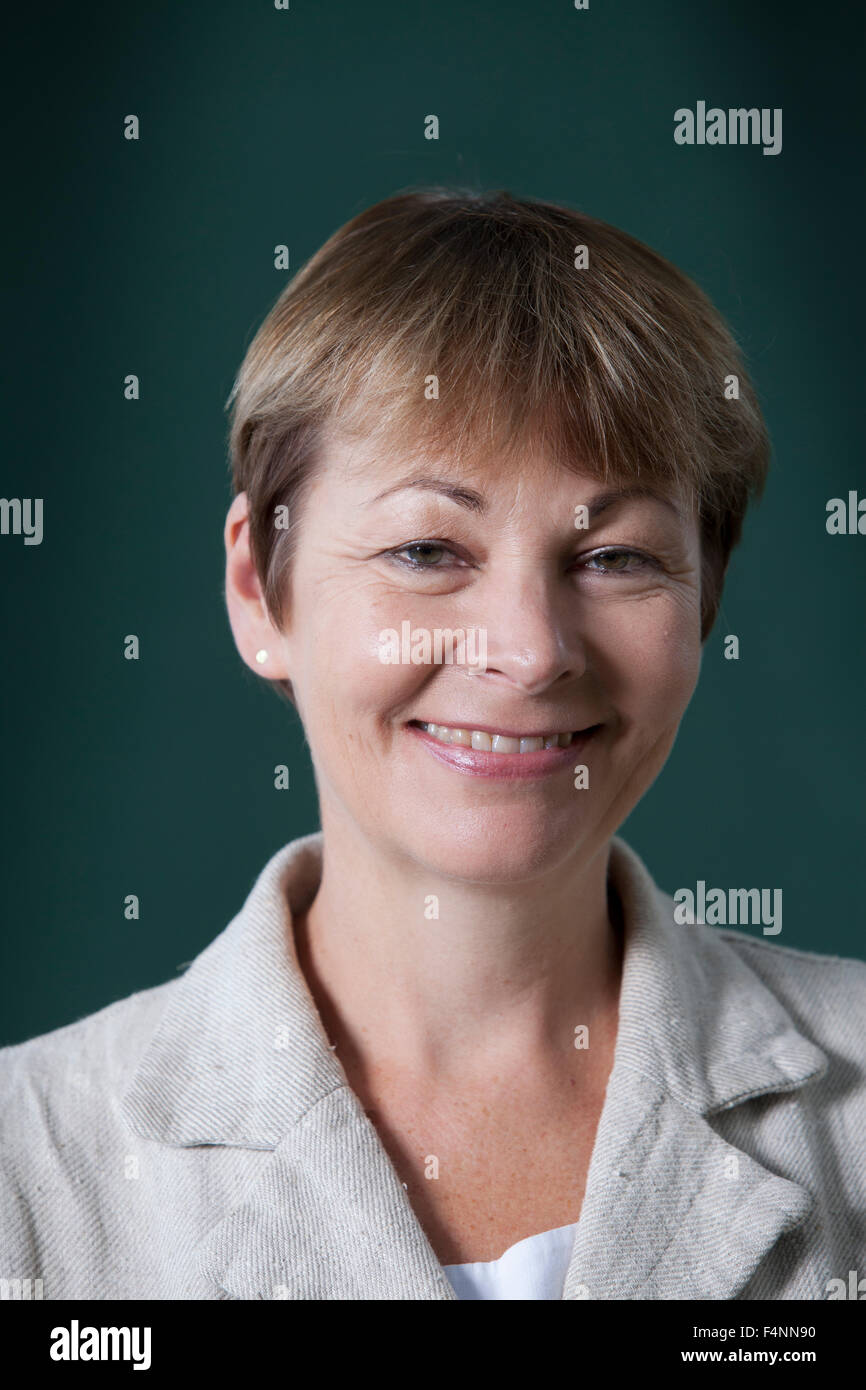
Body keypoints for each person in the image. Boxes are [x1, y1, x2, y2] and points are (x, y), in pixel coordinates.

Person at [1, 188, 864, 1301]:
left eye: (614, 557)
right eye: (424, 548)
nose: (529, 650)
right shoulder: (27, 1169)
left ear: (703, 600)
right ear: (259, 588)